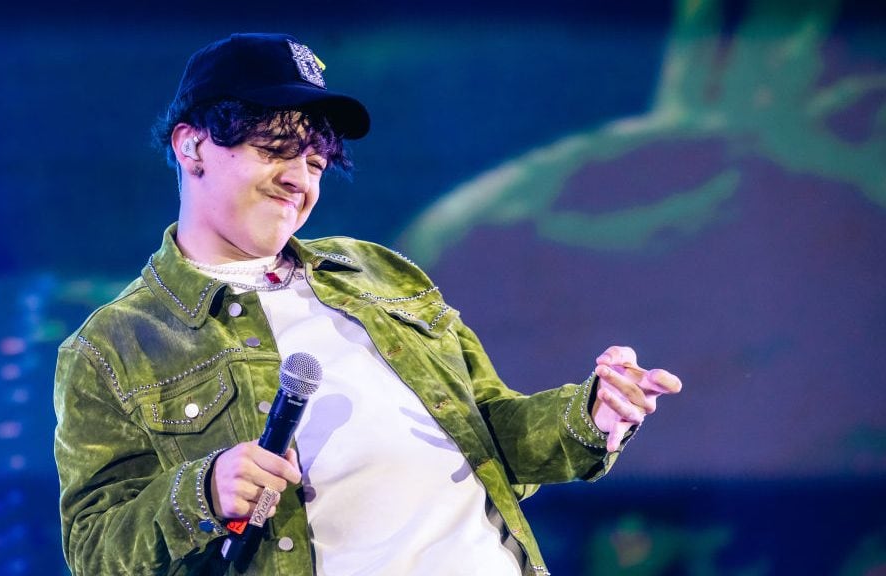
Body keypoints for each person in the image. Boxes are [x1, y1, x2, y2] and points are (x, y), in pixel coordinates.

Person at [53, 32, 682, 576]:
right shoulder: (116, 346)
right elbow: (93, 551)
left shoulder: (376, 272)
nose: (300, 179)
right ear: (193, 148)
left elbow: (493, 435)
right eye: (275, 148)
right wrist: (203, 491)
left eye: (317, 161)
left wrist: (593, 414)